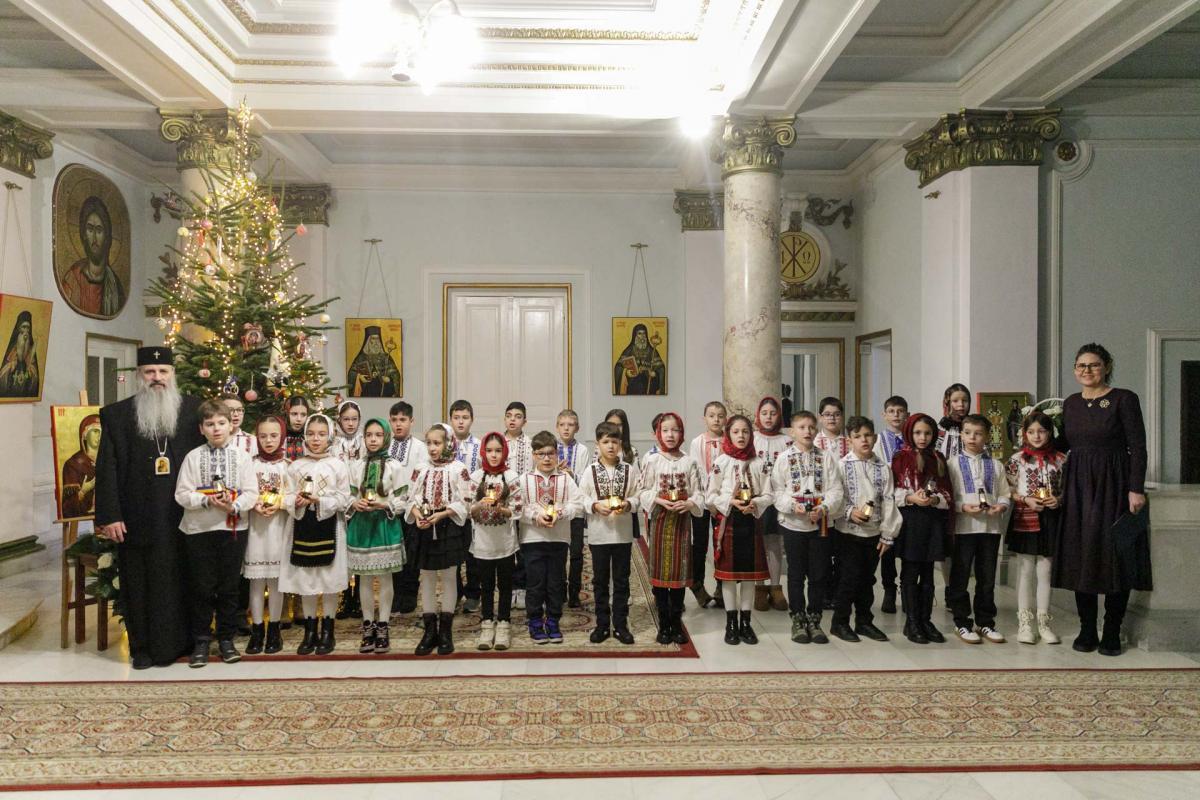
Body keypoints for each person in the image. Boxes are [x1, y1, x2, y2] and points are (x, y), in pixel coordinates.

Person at [94, 347, 203, 669]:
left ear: (172, 374)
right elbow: (107, 468)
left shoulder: (194, 410)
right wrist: (110, 515)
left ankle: (183, 642)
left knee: (181, 577)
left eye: (163, 371)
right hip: (137, 515)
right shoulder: (117, 415)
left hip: (184, 514)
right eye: (150, 372)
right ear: (140, 375)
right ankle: (141, 647)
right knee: (139, 582)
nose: (157, 378)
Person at [1053, 342, 1150, 657]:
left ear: (1106, 367)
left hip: (1114, 485)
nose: (1087, 370)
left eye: (1093, 365)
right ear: (1074, 370)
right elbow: (1064, 443)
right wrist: (1032, 439)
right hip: (1078, 488)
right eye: (1081, 365)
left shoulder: (1124, 398)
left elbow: (1138, 446)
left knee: (1115, 557)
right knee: (1082, 555)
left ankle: (1111, 631)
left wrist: (1135, 488)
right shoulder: (1071, 403)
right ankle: (1086, 629)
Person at [174, 399, 259, 667]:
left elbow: (252, 493)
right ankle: (201, 641)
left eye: (221, 423)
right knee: (202, 587)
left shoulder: (242, 457)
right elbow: (181, 494)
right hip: (199, 530)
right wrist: (206, 500)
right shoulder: (193, 457)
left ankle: (226, 639)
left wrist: (234, 506)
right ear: (202, 429)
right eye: (210, 424)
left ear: (231, 426)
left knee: (229, 587)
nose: (216, 429)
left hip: (232, 530)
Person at [280, 414, 351, 656]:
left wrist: (320, 500)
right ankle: (310, 631)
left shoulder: (337, 465)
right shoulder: (296, 466)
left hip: (330, 526)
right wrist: (296, 501)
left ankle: (328, 630)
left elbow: (344, 498)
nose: (316, 439)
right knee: (306, 579)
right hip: (302, 526)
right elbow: (286, 495)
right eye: (311, 434)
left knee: (328, 580)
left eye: (321, 434)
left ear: (330, 436)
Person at [771, 410, 842, 645]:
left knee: (819, 574)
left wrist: (824, 507)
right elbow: (777, 491)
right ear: (792, 431)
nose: (807, 431)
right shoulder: (784, 458)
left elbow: (836, 489)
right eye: (802, 427)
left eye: (811, 427)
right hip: (794, 524)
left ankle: (815, 618)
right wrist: (793, 506)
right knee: (796, 573)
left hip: (820, 524)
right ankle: (798, 618)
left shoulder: (826, 457)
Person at [829, 417, 899, 644]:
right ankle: (840, 622)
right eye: (858, 436)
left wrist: (888, 533)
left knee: (867, 580)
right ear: (849, 440)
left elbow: (889, 500)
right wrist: (849, 511)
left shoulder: (883, 468)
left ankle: (864, 621)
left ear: (875, 437)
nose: (864, 440)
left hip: (874, 532)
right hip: (848, 533)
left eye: (868, 435)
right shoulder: (841, 466)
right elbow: (836, 495)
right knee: (848, 578)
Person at [707, 415, 773, 646]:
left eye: (745, 431)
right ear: (728, 434)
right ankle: (731, 622)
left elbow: (769, 493)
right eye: (735, 432)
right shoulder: (721, 462)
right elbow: (710, 496)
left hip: (751, 523)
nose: (741, 436)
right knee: (728, 578)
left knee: (748, 577)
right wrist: (730, 502)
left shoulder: (759, 462)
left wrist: (757, 503)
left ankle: (746, 622)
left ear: (751, 435)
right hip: (730, 523)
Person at [407, 425, 473, 656]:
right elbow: (410, 497)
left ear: (449, 443)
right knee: (426, 577)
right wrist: (417, 515)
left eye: (438, 443)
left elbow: (465, 500)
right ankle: (429, 631)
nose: (433, 448)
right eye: (429, 443)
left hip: (448, 526)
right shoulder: (420, 468)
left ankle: (445, 631)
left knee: (448, 577)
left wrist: (443, 514)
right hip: (424, 526)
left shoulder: (458, 469)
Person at [638, 412, 703, 646]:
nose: (670, 435)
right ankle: (663, 622)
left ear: (681, 433)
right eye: (665, 430)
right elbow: (642, 490)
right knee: (660, 573)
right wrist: (658, 500)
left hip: (682, 524)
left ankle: (676, 622)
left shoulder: (689, 461)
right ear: (658, 433)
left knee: (679, 573)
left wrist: (690, 503)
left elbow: (699, 492)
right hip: (660, 521)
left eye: (675, 430)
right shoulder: (652, 460)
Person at [947, 413, 1012, 645]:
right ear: (961, 435)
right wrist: (963, 507)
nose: (972, 438)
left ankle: (985, 622)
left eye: (978, 434)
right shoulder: (952, 464)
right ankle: (961, 622)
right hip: (963, 528)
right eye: (967, 433)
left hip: (990, 529)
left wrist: (1000, 506)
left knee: (986, 578)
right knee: (961, 575)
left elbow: (1005, 493)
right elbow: (948, 496)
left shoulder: (995, 465)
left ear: (987, 436)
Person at [346, 418, 409, 654]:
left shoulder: (395, 466)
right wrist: (355, 503)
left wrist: (385, 505)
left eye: (378, 435)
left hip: (384, 525)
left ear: (386, 438)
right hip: (362, 525)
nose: (373, 439)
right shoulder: (356, 466)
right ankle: (367, 625)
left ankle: (383, 625)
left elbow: (403, 498)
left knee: (384, 577)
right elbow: (349, 494)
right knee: (363, 578)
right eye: (369, 435)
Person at [518, 430, 585, 644]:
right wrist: (535, 516)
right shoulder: (524, 480)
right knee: (535, 582)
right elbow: (518, 507)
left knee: (556, 582)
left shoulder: (565, 479)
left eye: (550, 453)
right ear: (533, 455)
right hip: (532, 540)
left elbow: (578, 504)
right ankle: (535, 621)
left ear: (557, 454)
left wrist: (561, 513)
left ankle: (554, 620)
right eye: (541, 454)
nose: (546, 458)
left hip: (559, 538)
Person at [890, 414, 952, 645]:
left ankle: (926, 620)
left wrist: (934, 499)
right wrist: (911, 497)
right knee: (910, 571)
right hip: (911, 521)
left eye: (927, 433)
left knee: (928, 573)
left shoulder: (938, 458)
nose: (922, 437)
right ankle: (912, 621)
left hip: (932, 521)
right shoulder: (900, 457)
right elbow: (893, 490)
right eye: (917, 433)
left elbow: (947, 491)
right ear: (909, 433)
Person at [1007, 411, 1067, 646]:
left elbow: (1066, 489)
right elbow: (1007, 489)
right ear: (1024, 434)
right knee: (1025, 570)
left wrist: (1058, 500)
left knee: (1046, 570)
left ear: (1050, 432)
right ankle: (1024, 623)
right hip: (1026, 517)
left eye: (1042, 431)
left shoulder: (1060, 459)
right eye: (1031, 432)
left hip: (1050, 519)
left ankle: (1044, 623)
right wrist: (1025, 499)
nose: (1036, 436)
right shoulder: (1017, 460)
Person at [581, 421, 641, 644]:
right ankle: (602, 625)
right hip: (599, 535)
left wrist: (628, 504)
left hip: (622, 535)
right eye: (606, 442)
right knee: (600, 581)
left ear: (620, 444)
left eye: (615, 442)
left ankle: (621, 624)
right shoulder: (590, 471)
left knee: (621, 580)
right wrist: (595, 506)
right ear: (598, 444)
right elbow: (581, 497)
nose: (610, 446)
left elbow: (637, 495)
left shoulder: (628, 470)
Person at [468, 432, 522, 651]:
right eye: (489, 450)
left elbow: (518, 508)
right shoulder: (475, 477)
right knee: (487, 584)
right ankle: (487, 623)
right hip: (483, 542)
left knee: (505, 584)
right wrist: (479, 505)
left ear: (504, 452)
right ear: (483, 451)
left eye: (498, 451)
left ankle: (504, 623)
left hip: (505, 542)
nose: (493, 455)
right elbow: (466, 508)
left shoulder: (511, 477)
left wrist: (502, 509)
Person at [244, 416, 292, 655]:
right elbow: (243, 491)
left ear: (281, 436)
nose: (269, 441)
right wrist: (254, 504)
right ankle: (257, 629)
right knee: (256, 582)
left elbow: (293, 496)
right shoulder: (249, 464)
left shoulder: (287, 466)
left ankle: (274, 628)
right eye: (263, 436)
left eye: (274, 436)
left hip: (278, 529)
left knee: (275, 582)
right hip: (255, 529)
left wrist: (280, 503)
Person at [386, 400, 429, 614]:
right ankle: (395, 595)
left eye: (403, 420)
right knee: (393, 553)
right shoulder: (385, 446)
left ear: (412, 421)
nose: (398, 424)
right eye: (394, 420)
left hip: (412, 509)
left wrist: (414, 504)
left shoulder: (420, 448)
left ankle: (410, 594)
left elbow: (422, 478)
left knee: (411, 554)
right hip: (390, 508)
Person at [753, 397, 791, 613]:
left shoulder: (787, 441)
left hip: (778, 498)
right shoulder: (752, 438)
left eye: (773, 413)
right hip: (758, 497)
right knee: (758, 543)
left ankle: (776, 588)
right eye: (764, 413)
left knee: (775, 542)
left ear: (779, 416)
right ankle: (759, 587)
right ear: (758, 415)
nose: (768, 417)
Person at [687, 401, 726, 608]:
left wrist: (718, 497)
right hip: (702, 500)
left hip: (722, 500)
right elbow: (698, 471)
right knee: (700, 542)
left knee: (721, 542)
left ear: (725, 419)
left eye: (720, 415)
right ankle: (698, 584)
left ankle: (722, 585)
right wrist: (706, 497)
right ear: (704, 419)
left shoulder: (729, 440)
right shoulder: (697, 442)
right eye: (712, 415)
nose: (716, 419)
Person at [59, 197, 127, 318]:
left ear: (107, 236)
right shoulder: (72, 280)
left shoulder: (115, 286)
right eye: (90, 229)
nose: (94, 239)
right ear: (84, 234)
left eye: (99, 230)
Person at [874, 395, 908, 615]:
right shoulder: (878, 440)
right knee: (887, 546)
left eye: (900, 411)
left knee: (907, 547)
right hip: (887, 500)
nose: (896, 415)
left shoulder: (912, 439)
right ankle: (889, 588)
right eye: (892, 411)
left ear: (907, 414)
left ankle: (907, 589)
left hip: (909, 501)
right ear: (884, 415)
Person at [448, 399, 483, 613]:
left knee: (472, 554)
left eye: (465, 418)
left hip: (472, 509)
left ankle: (473, 593)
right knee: (452, 553)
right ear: (450, 420)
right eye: (456, 418)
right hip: (451, 509)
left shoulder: (479, 446)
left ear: (472, 420)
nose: (460, 422)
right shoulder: (445, 445)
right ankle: (455, 591)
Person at [555, 409, 590, 609]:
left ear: (577, 428)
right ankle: (560, 589)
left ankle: (574, 592)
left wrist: (570, 474)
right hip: (558, 507)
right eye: (562, 425)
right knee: (559, 551)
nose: (566, 428)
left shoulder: (583, 450)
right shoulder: (551, 448)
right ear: (557, 427)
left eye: (571, 425)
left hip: (576, 508)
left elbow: (584, 478)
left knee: (576, 552)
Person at [503, 401, 534, 611]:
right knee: (506, 545)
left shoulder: (531, 444)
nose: (513, 419)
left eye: (518, 416)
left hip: (523, 501)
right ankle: (508, 587)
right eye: (509, 415)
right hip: (502, 503)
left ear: (524, 421)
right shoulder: (498, 442)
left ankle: (521, 586)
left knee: (523, 546)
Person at [61, 413, 101, 519]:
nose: (100, 436)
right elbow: (68, 508)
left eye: (102, 432)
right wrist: (83, 490)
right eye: (95, 431)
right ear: (85, 434)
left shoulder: (110, 461)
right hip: (85, 517)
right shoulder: (73, 465)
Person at [346, 324, 401, 397]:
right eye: (373, 339)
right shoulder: (361, 357)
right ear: (368, 341)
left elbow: (395, 374)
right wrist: (359, 377)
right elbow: (351, 374)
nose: (376, 342)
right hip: (366, 393)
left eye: (377, 339)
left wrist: (389, 379)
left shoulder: (386, 357)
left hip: (384, 393)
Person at [613, 323, 666, 395]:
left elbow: (661, 368)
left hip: (649, 386)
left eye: (644, 334)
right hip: (632, 386)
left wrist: (655, 373)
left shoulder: (652, 351)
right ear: (635, 335)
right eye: (639, 334)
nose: (642, 336)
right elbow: (618, 367)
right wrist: (626, 372)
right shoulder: (629, 350)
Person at [0, 310, 39, 398]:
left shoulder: (29, 345)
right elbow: (4, 370)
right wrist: (11, 365)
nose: (26, 331)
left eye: (28, 328)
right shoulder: (14, 345)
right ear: (18, 328)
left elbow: (33, 369)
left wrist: (30, 369)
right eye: (23, 327)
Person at [936, 383, 971, 459]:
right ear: (947, 403)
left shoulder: (974, 427)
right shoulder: (939, 429)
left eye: (965, 400)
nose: (961, 404)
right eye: (955, 401)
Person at [283, 396, 311, 461]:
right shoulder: (278, 437)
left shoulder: (310, 438)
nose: (299, 419)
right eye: (294, 414)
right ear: (287, 413)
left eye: (303, 415)